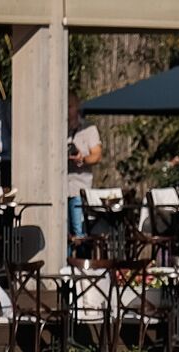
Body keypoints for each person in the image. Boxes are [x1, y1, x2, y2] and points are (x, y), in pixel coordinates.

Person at [66, 92, 103, 242]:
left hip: (78, 187)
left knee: (79, 231)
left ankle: (82, 262)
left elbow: (97, 155)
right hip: (60, 188)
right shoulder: (57, 129)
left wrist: (83, 159)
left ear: (77, 107)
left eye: (70, 106)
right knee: (63, 234)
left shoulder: (88, 129)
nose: (67, 110)